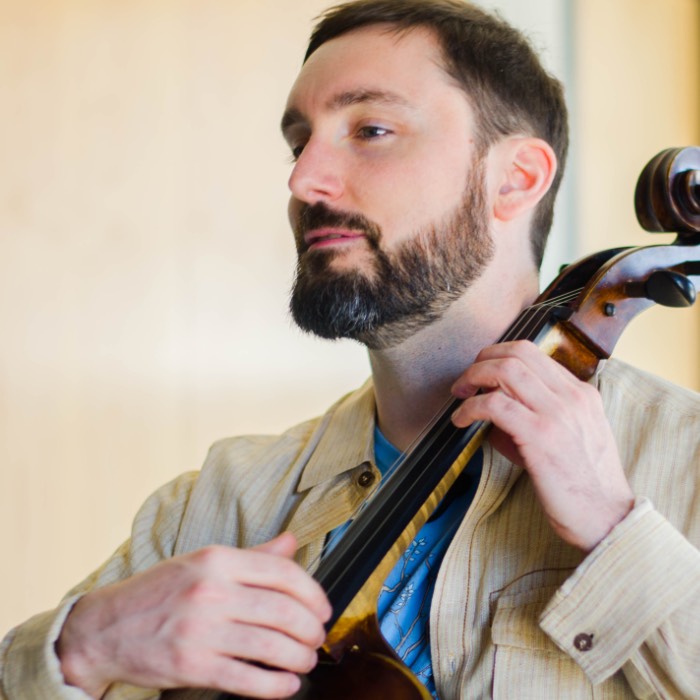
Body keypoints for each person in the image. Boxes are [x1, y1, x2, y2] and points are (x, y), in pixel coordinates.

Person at [2, 0, 699, 698]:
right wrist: (82, 648)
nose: (304, 181)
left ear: (514, 178)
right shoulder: (222, 501)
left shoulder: (686, 459)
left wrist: (614, 531)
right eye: (299, 141)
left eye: (370, 129)